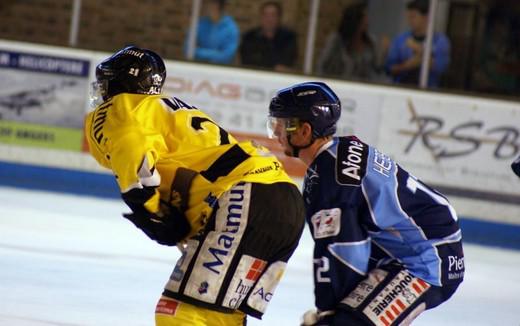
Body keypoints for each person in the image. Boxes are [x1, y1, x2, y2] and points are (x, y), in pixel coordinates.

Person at [84, 46, 305, 326]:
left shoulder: (123, 108)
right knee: (220, 317)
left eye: (106, 84)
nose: (102, 93)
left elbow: (134, 158)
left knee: (180, 313)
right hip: (280, 201)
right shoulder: (164, 111)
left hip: (248, 195)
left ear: (121, 84)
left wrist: (149, 210)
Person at [266, 82, 464, 325]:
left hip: (425, 261)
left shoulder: (329, 177)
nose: (276, 133)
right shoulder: (340, 150)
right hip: (422, 250)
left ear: (305, 131)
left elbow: (343, 246)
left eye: (283, 125)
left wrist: (329, 310)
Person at [385, 0, 450, 87]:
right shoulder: (401, 40)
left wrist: (421, 52)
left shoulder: (440, 41)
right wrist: (407, 65)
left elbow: (441, 68)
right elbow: (389, 68)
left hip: (429, 91)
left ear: (426, 17)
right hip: (400, 89)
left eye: (413, 17)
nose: (409, 20)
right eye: (408, 17)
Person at [317, 2, 383, 82]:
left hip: (363, 88)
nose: (367, 21)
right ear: (356, 20)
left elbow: (377, 70)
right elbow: (322, 66)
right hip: (338, 84)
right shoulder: (336, 41)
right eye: (364, 17)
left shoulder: (371, 42)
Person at [239, 1, 298, 72]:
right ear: (260, 17)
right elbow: (247, 62)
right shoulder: (249, 37)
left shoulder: (288, 38)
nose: (269, 19)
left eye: (273, 15)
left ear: (279, 18)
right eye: (265, 15)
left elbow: (287, 63)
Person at [185, 0, 239, 64]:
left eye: (207, 3)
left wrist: (200, 53)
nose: (204, 6)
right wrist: (215, 54)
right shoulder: (200, 24)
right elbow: (187, 49)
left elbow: (226, 56)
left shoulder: (231, 28)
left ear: (216, 5)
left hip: (221, 69)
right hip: (199, 66)